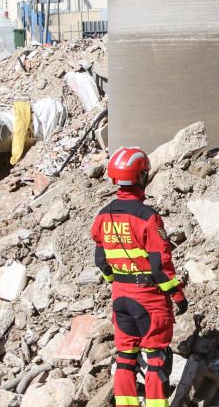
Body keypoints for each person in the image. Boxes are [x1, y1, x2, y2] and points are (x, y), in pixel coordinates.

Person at [90, 147, 187, 407]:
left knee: (125, 357)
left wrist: (118, 283)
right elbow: (160, 265)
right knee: (156, 358)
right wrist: (177, 294)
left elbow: (101, 261)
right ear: (141, 176)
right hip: (149, 299)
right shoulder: (147, 217)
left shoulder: (103, 215)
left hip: (120, 298)